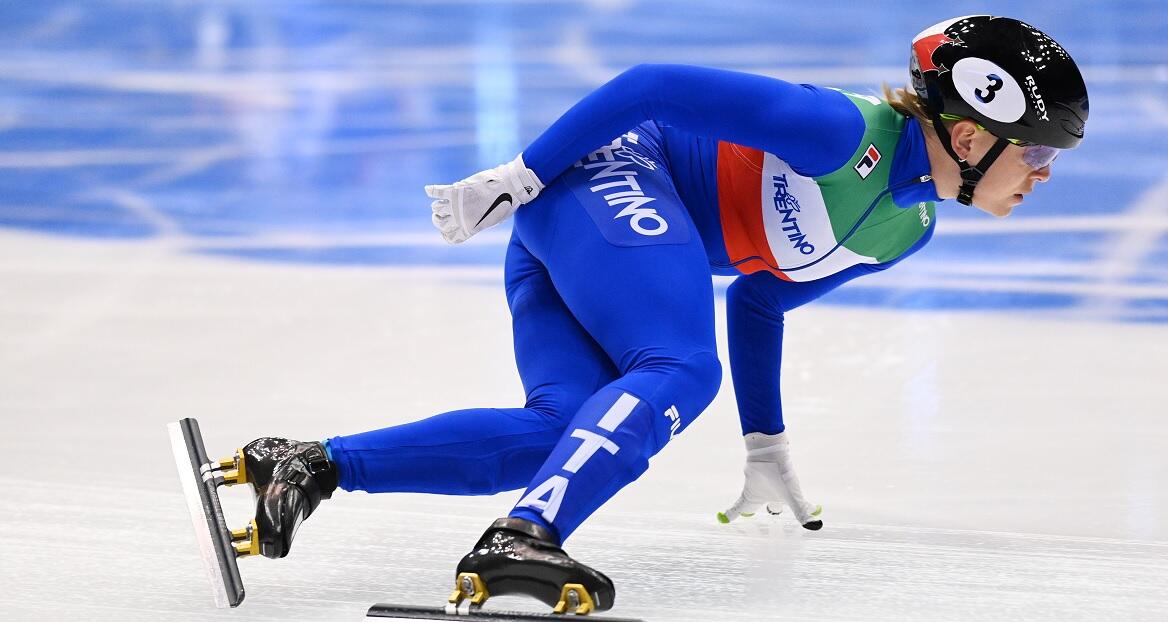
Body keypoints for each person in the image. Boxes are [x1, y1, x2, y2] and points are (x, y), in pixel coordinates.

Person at [226, 15, 1088, 614]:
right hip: (600, 185)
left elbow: (760, 297)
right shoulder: (839, 132)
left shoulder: (911, 228)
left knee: (558, 433)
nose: (1045, 174)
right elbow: (655, 86)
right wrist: (525, 173)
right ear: (972, 135)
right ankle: (525, 535)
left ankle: (307, 467)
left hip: (591, 236)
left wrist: (767, 443)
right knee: (679, 366)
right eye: (1041, 150)